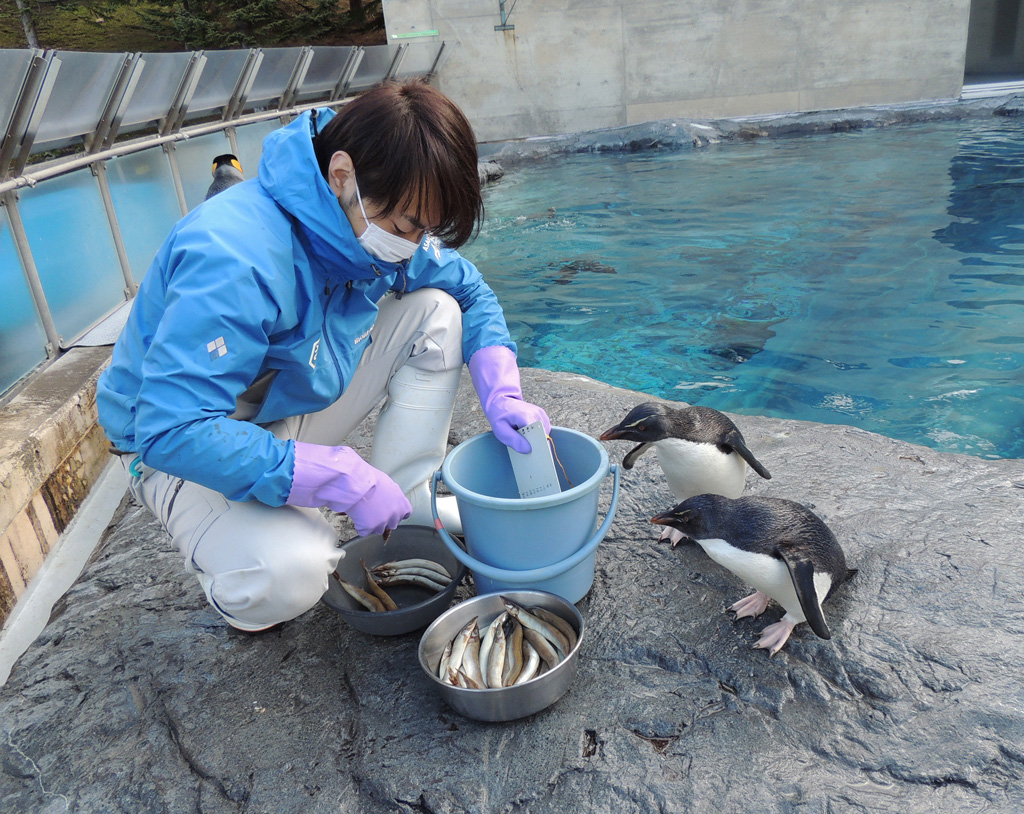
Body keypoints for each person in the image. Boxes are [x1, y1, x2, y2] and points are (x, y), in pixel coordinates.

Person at [97, 80, 550, 632]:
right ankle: (236, 569)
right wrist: (337, 477)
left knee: (437, 310)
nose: (413, 246)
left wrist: (502, 393)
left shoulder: (370, 221)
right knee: (292, 573)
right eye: (406, 227)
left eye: (424, 231)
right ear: (341, 175)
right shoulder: (232, 256)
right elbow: (171, 430)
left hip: (285, 404)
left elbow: (471, 291)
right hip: (182, 446)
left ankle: (407, 497)